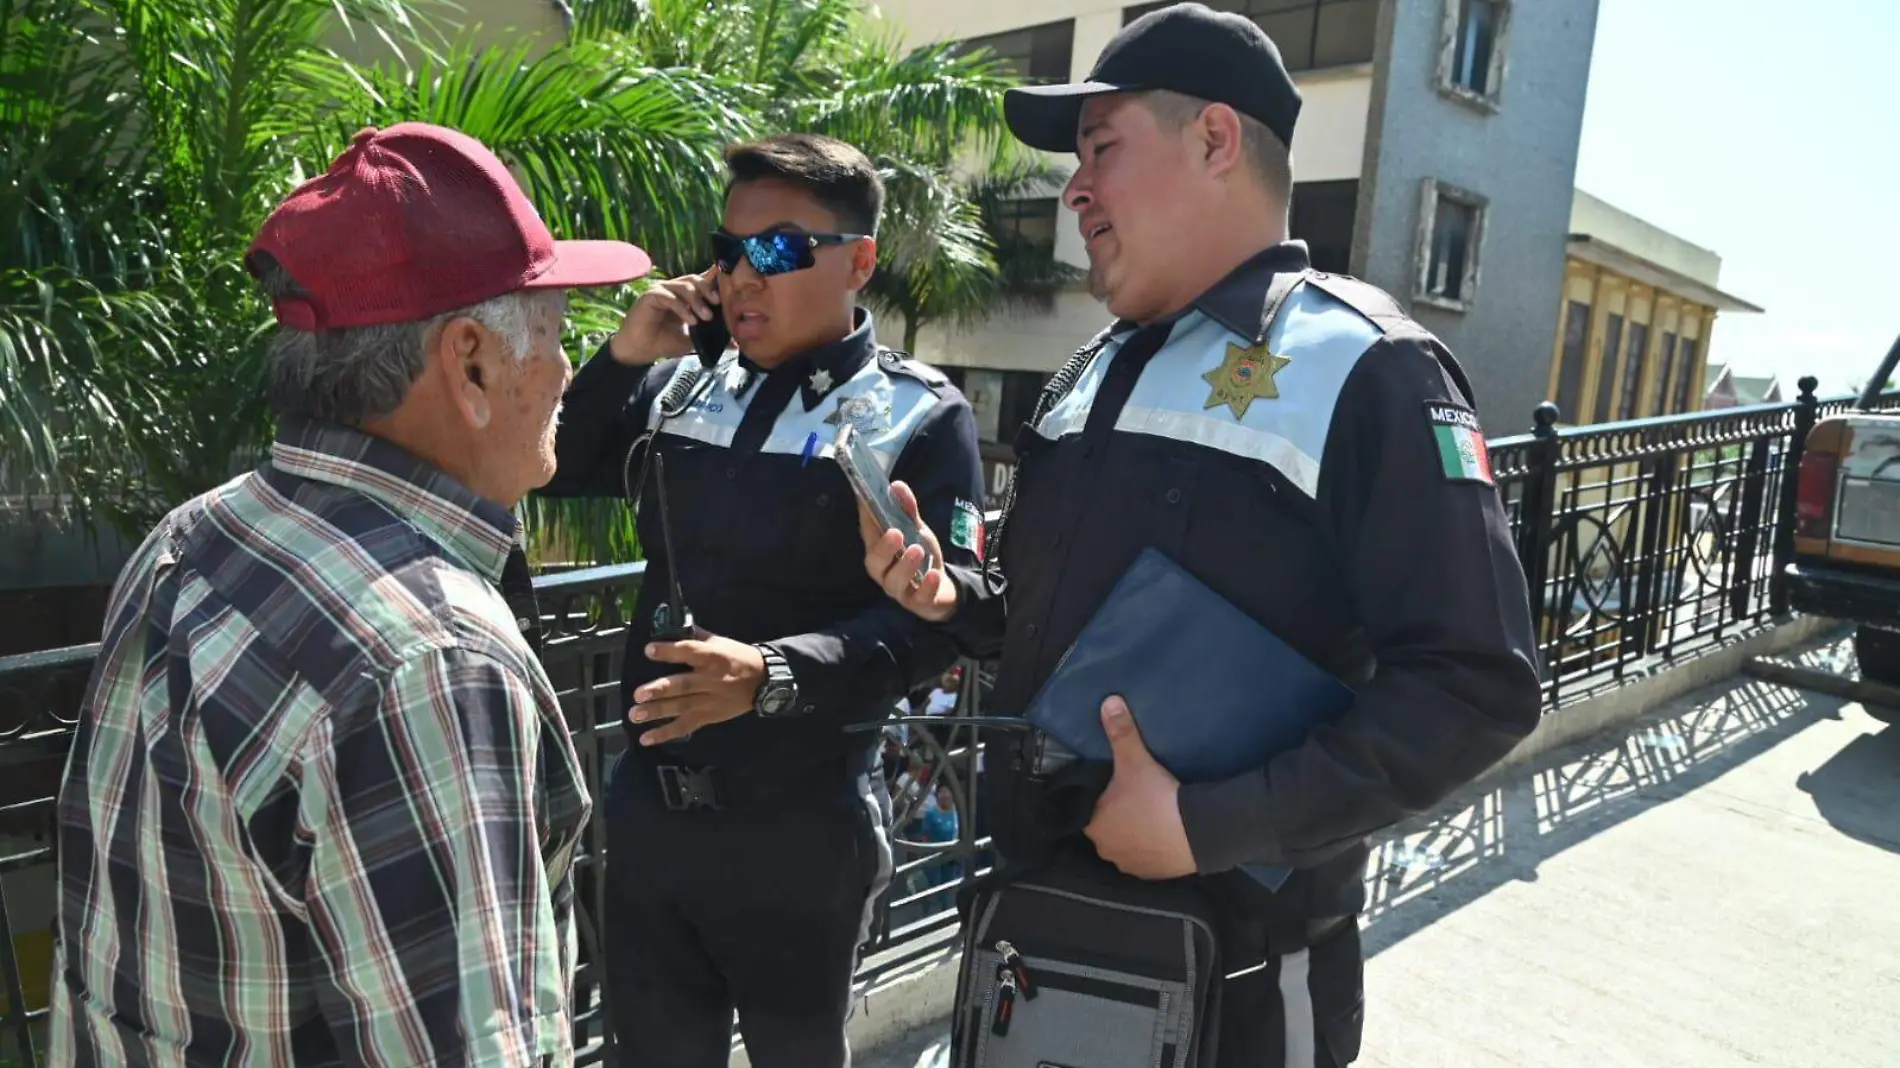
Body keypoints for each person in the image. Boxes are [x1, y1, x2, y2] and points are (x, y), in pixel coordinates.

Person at [858, 5, 1542, 1066]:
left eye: (1101, 148)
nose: (1073, 188)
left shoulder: (1366, 368)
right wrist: (950, 600)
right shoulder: (1092, 369)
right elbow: (1052, 626)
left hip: (1238, 980)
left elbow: (1475, 685)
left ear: (1216, 140)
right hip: (1038, 940)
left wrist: (1210, 824)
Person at [48, 122, 649, 1066]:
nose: (569, 368)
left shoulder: (200, 532)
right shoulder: (433, 661)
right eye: (557, 332)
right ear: (472, 363)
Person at [541, 132, 986, 1067]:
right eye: (729, 250)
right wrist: (624, 355)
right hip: (651, 813)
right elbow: (557, 468)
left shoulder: (916, 414)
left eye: (779, 250)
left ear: (858, 261)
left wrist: (777, 674)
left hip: (799, 827)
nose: (744, 274)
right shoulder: (678, 385)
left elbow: (940, 619)